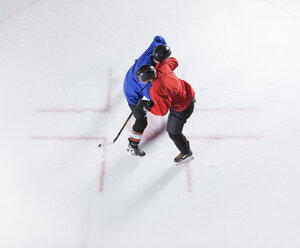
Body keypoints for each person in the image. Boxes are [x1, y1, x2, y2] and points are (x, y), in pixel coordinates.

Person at [135, 45, 195, 163]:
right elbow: (174, 62)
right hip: (187, 93)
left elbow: (162, 111)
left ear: (148, 80)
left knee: (173, 132)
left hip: (183, 107)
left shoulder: (156, 89)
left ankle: (187, 153)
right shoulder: (163, 66)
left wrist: (148, 106)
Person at [123, 36, 171, 157]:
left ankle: (137, 63)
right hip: (132, 93)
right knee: (141, 120)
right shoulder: (147, 87)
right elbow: (158, 100)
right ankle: (132, 146)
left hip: (133, 73)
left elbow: (159, 38)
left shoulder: (154, 47)